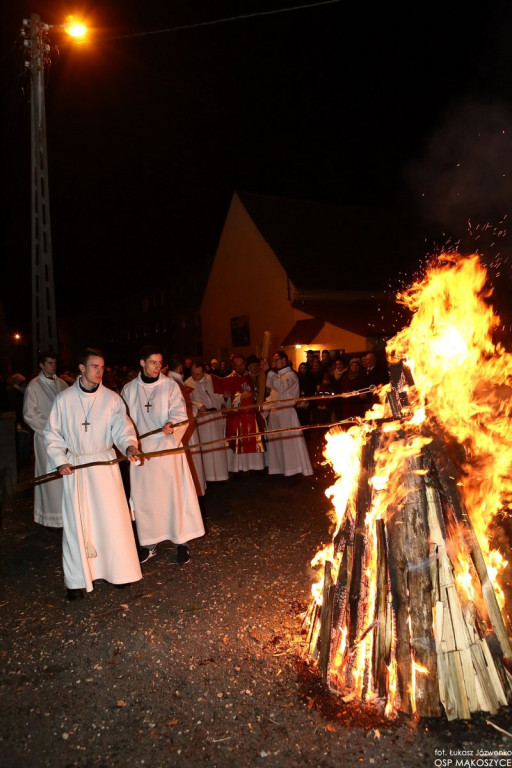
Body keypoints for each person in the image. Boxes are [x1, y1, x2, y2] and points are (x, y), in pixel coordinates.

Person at [43, 348, 143, 600]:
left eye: (102, 367)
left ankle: (117, 571)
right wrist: (60, 461)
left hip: (105, 466)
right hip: (77, 467)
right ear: (81, 368)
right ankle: (77, 579)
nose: (100, 371)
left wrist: (129, 446)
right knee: (78, 523)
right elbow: (52, 435)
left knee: (111, 520)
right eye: (94, 367)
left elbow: (122, 429)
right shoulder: (64, 400)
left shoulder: (111, 399)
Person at [121, 346, 205, 566]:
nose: (158, 366)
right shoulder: (129, 389)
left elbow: (179, 413)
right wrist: (130, 444)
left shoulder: (169, 385)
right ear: (142, 363)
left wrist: (171, 423)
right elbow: (123, 421)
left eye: (160, 362)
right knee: (146, 498)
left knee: (173, 496)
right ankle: (149, 543)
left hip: (168, 449)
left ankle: (181, 542)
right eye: (153, 362)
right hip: (143, 451)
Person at [23, 351, 69, 528]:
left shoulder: (62, 383)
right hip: (44, 437)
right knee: (50, 476)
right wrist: (50, 429)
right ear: (41, 365)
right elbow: (29, 414)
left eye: (54, 363)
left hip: (64, 438)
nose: (53, 366)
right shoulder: (34, 385)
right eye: (49, 363)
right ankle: (51, 518)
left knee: (64, 476)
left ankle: (66, 516)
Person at [261, 350, 313, 478]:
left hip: (286, 414)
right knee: (277, 444)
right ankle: (280, 468)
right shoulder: (277, 376)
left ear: (284, 360)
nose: (274, 363)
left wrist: (268, 372)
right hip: (275, 415)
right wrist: (262, 409)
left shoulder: (292, 375)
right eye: (273, 361)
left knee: (288, 444)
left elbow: (282, 387)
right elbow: (273, 396)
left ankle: (293, 470)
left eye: (276, 360)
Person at [211, 353, 265, 474]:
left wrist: (254, 394)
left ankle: (256, 466)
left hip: (251, 414)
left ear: (245, 364)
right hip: (237, 416)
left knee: (253, 438)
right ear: (233, 366)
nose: (240, 367)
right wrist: (237, 396)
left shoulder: (252, 377)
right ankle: (238, 468)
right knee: (238, 440)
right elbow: (224, 402)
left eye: (242, 364)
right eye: (237, 365)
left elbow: (259, 393)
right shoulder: (228, 379)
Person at [185, 361, 229, 482]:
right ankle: (208, 477)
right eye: (193, 373)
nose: (195, 376)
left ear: (204, 372)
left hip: (215, 416)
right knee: (206, 449)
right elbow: (187, 401)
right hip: (203, 419)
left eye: (198, 374)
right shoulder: (187, 383)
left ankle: (221, 476)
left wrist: (224, 401)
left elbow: (219, 396)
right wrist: (198, 405)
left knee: (218, 447)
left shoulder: (213, 380)